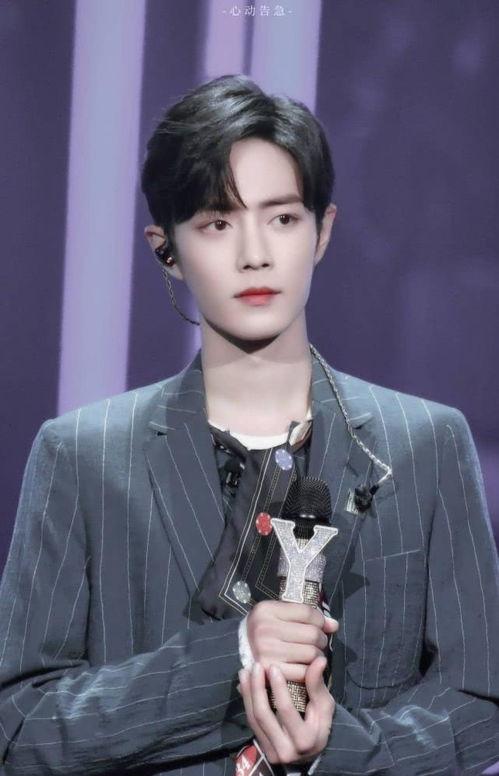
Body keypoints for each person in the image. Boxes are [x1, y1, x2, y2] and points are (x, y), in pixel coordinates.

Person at [0, 74, 498, 776]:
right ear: (166, 249)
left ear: (323, 231)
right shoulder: (82, 456)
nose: (254, 253)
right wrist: (231, 654)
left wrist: (336, 752)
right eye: (217, 223)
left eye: (282, 218)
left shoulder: (426, 445)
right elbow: (18, 727)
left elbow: (478, 706)